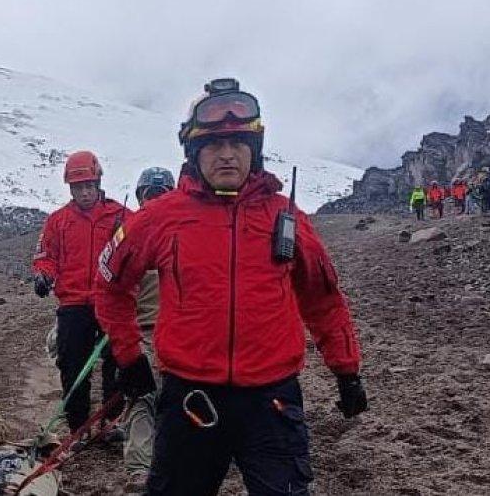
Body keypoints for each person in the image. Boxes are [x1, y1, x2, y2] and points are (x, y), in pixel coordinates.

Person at [95, 78, 366, 496]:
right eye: (213, 145)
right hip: (190, 397)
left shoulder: (286, 217)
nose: (226, 155)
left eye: (238, 144)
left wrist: (347, 371)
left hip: (272, 401)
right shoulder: (158, 218)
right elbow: (110, 285)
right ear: (193, 152)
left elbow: (323, 298)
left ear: (254, 150)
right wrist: (129, 359)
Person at [32, 150, 131, 434]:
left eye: (89, 185)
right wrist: (43, 275)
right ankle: (77, 427)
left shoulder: (121, 216)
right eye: (78, 187)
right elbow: (46, 256)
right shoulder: (58, 221)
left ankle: (111, 423)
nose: (84, 192)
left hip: (111, 302)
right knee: (73, 366)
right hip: (74, 303)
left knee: (118, 361)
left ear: (98, 183)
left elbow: (139, 249)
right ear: (70, 188)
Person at [119, 166, 175, 491]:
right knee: (142, 398)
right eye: (150, 196)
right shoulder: (128, 236)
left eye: (161, 195)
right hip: (141, 334)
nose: (155, 202)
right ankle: (139, 467)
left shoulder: (188, 234)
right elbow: (113, 293)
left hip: (182, 333)